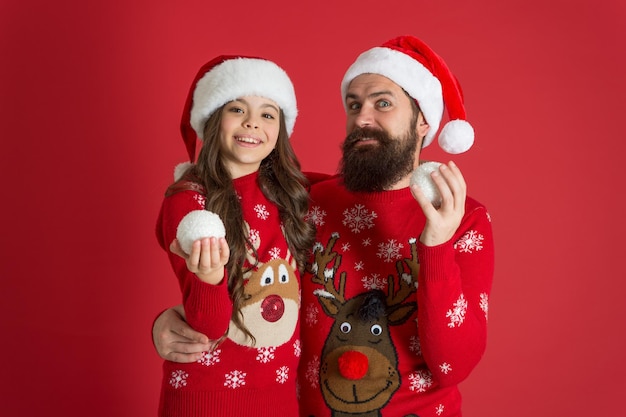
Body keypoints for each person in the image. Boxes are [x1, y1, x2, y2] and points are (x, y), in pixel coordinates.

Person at [154, 35, 495, 417]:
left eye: (383, 103)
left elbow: (454, 366)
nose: (363, 118)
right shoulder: (304, 199)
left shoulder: (465, 219)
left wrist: (436, 245)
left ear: (423, 122)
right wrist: (170, 323)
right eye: (354, 104)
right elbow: (233, 201)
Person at [154, 55, 315, 417]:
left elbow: (360, 190)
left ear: (280, 131)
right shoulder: (190, 201)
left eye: (268, 114)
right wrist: (209, 277)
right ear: (213, 119)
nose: (252, 123)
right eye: (237, 108)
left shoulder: (288, 194)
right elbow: (209, 326)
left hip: (279, 396)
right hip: (207, 396)